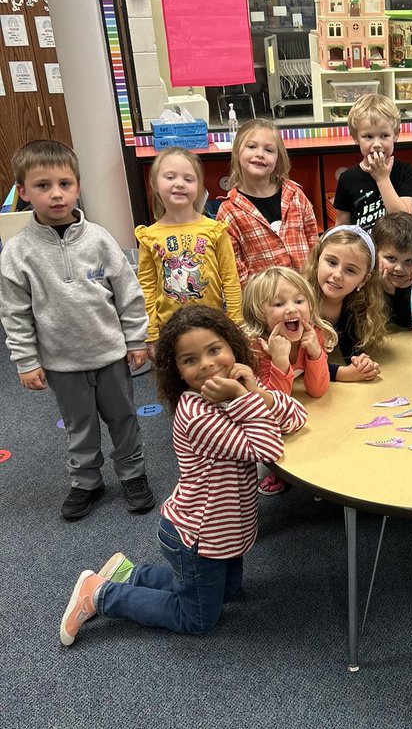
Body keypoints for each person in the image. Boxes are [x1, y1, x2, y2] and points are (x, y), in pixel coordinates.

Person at [58, 306, 307, 645]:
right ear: (176, 369)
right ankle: (99, 594)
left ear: (233, 346)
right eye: (190, 360)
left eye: (214, 350)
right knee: (197, 618)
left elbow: (296, 417)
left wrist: (255, 391)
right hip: (197, 537)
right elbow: (266, 449)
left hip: (228, 531)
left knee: (228, 590)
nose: (205, 364)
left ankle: (130, 573)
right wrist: (241, 397)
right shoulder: (195, 413)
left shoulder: (237, 385)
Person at [0, 140, 155, 521]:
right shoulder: (17, 252)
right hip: (61, 362)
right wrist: (26, 361)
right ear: (23, 192)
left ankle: (133, 474)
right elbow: (14, 313)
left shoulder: (99, 239)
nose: (56, 194)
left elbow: (128, 295)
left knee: (123, 418)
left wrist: (136, 339)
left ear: (78, 187)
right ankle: (86, 481)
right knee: (79, 426)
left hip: (110, 355)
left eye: (65, 184)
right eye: (42, 185)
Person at [135, 147, 242, 354]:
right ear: (155, 184)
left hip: (212, 325)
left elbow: (230, 279)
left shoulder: (215, 230)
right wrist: (150, 333)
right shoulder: (149, 237)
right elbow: (146, 288)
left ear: (199, 187)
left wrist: (236, 323)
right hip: (169, 330)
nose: (179, 184)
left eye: (188, 179)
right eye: (170, 177)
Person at [242, 266, 335, 496]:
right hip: (260, 409)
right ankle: (278, 471)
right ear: (258, 313)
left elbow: (318, 390)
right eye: (278, 304)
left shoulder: (313, 334)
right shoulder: (258, 346)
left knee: (322, 424)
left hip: (297, 403)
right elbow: (275, 407)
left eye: (299, 300)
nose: (291, 309)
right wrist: (280, 359)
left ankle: (314, 473)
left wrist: (315, 353)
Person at [215, 118, 319, 285]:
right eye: (251, 147)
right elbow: (235, 269)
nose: (260, 154)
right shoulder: (229, 211)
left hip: (305, 292)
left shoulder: (295, 194)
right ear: (237, 152)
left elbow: (313, 242)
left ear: (278, 158)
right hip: (263, 301)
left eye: (269, 150)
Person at [303, 225, 388, 381]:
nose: (337, 275)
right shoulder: (299, 304)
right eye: (331, 262)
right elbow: (300, 364)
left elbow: (352, 347)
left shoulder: (355, 306)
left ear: (364, 279)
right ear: (317, 259)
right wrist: (342, 374)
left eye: (350, 270)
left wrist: (362, 364)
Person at [333, 94, 412, 231]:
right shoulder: (347, 178)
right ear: (355, 138)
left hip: (397, 250)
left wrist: (382, 178)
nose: (377, 144)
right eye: (368, 137)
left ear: (396, 134)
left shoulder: (405, 171)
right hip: (362, 251)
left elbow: (405, 221)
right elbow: (342, 226)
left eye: (384, 136)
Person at [371, 212, 412, 329]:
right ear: (375, 252)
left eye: (409, 261)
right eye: (391, 258)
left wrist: (407, 292)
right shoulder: (366, 275)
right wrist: (387, 292)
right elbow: (375, 325)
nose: (399, 268)